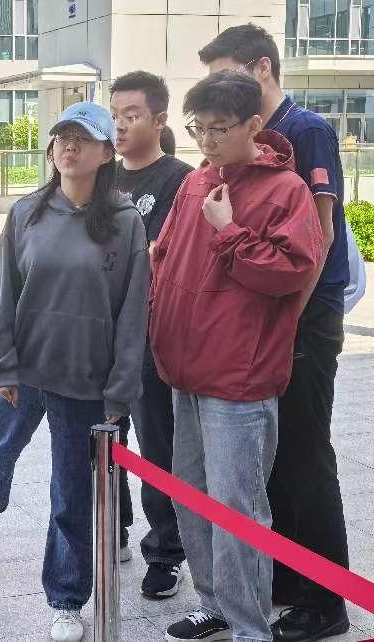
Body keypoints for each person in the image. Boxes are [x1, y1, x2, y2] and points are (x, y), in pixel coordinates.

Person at [0, 101, 149, 642]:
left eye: (82, 139)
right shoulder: (26, 214)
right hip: (26, 370)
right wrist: (2, 367)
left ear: (106, 153)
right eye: (62, 137)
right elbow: (3, 293)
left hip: (86, 383)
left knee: (70, 497)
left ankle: (65, 601)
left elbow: (134, 312)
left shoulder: (125, 223)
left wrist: (120, 390)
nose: (69, 146)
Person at [152, 71, 323, 642]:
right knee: (193, 496)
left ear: (253, 125)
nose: (207, 140)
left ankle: (250, 627)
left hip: (240, 378)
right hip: (185, 369)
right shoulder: (196, 181)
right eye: (198, 128)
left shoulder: (286, 190)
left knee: (238, 507)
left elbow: (291, 272)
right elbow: (165, 257)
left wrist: (229, 232)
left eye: (219, 129)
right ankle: (215, 605)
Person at [200, 24, 353, 640]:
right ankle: (286, 580)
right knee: (273, 455)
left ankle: (327, 599)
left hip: (304, 318)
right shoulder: (248, 141)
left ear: (261, 68)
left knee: (305, 454)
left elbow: (321, 235)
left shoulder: (305, 130)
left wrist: (289, 324)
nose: (218, 89)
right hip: (265, 319)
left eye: (227, 74)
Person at [110, 70, 193, 600]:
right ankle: (110, 526)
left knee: (157, 446)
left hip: (149, 337)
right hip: (100, 331)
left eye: (132, 115)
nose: (119, 126)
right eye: (115, 115)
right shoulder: (103, 176)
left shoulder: (181, 180)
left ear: (159, 119)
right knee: (101, 438)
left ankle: (166, 552)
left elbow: (165, 259)